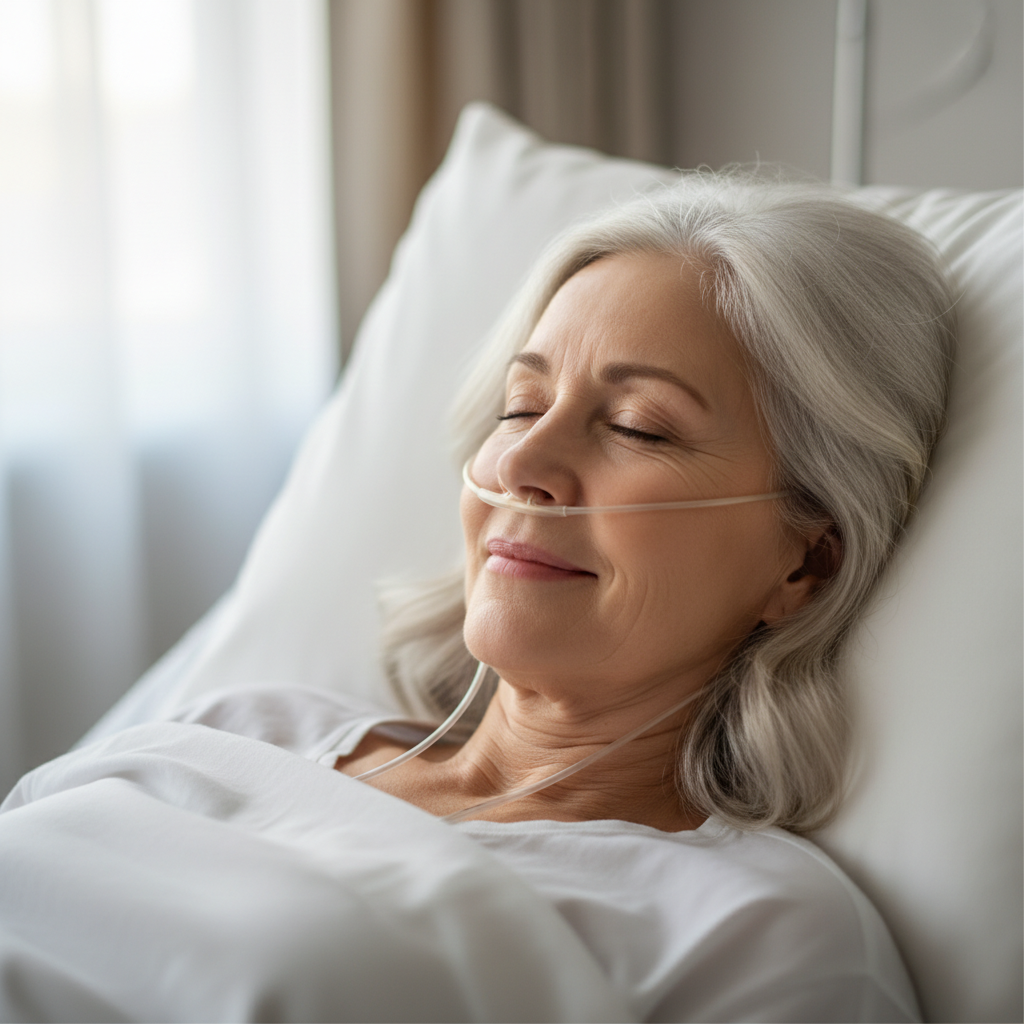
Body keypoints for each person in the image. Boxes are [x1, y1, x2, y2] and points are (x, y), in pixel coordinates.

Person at [176, 175, 956, 1021]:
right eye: (523, 406)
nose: (519, 466)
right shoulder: (246, 725)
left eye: (638, 427)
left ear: (805, 565)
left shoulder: (752, 941)